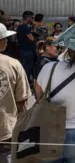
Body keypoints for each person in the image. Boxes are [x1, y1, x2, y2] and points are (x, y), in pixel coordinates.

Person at [0, 23, 31, 163]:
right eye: (5, 39)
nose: (7, 42)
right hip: (6, 131)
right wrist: (24, 128)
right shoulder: (13, 64)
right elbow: (22, 101)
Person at [17, 11, 36, 83]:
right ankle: (25, 82)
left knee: (27, 67)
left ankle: (25, 82)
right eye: (32, 18)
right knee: (27, 68)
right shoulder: (24, 27)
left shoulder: (23, 27)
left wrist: (33, 27)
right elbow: (32, 38)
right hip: (26, 51)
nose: (33, 19)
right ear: (28, 18)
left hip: (25, 50)